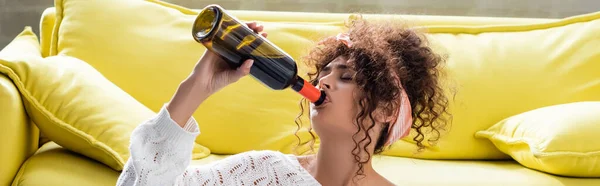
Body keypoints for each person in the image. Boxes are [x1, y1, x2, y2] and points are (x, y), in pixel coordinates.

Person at [116, 17, 451, 186]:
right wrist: (197, 86)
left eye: (346, 77)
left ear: (387, 108)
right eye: (324, 72)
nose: (323, 81)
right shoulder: (263, 172)